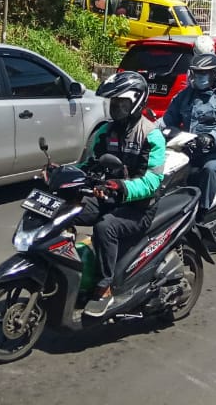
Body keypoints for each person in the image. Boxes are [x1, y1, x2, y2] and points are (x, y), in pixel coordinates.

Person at [80, 71, 167, 316]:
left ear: (136, 101)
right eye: (113, 103)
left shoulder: (151, 135)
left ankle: (105, 287)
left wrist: (122, 187)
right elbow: (89, 164)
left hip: (139, 208)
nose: (116, 108)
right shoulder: (105, 132)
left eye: (121, 103)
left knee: (105, 227)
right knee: (68, 208)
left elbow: (152, 181)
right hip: (107, 197)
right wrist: (61, 173)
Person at [162, 52, 216, 210]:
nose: (199, 77)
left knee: (210, 170)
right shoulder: (186, 95)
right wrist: (148, 131)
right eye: (197, 73)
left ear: (215, 73)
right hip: (188, 149)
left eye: (203, 73)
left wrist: (211, 137)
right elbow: (167, 119)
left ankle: (205, 212)